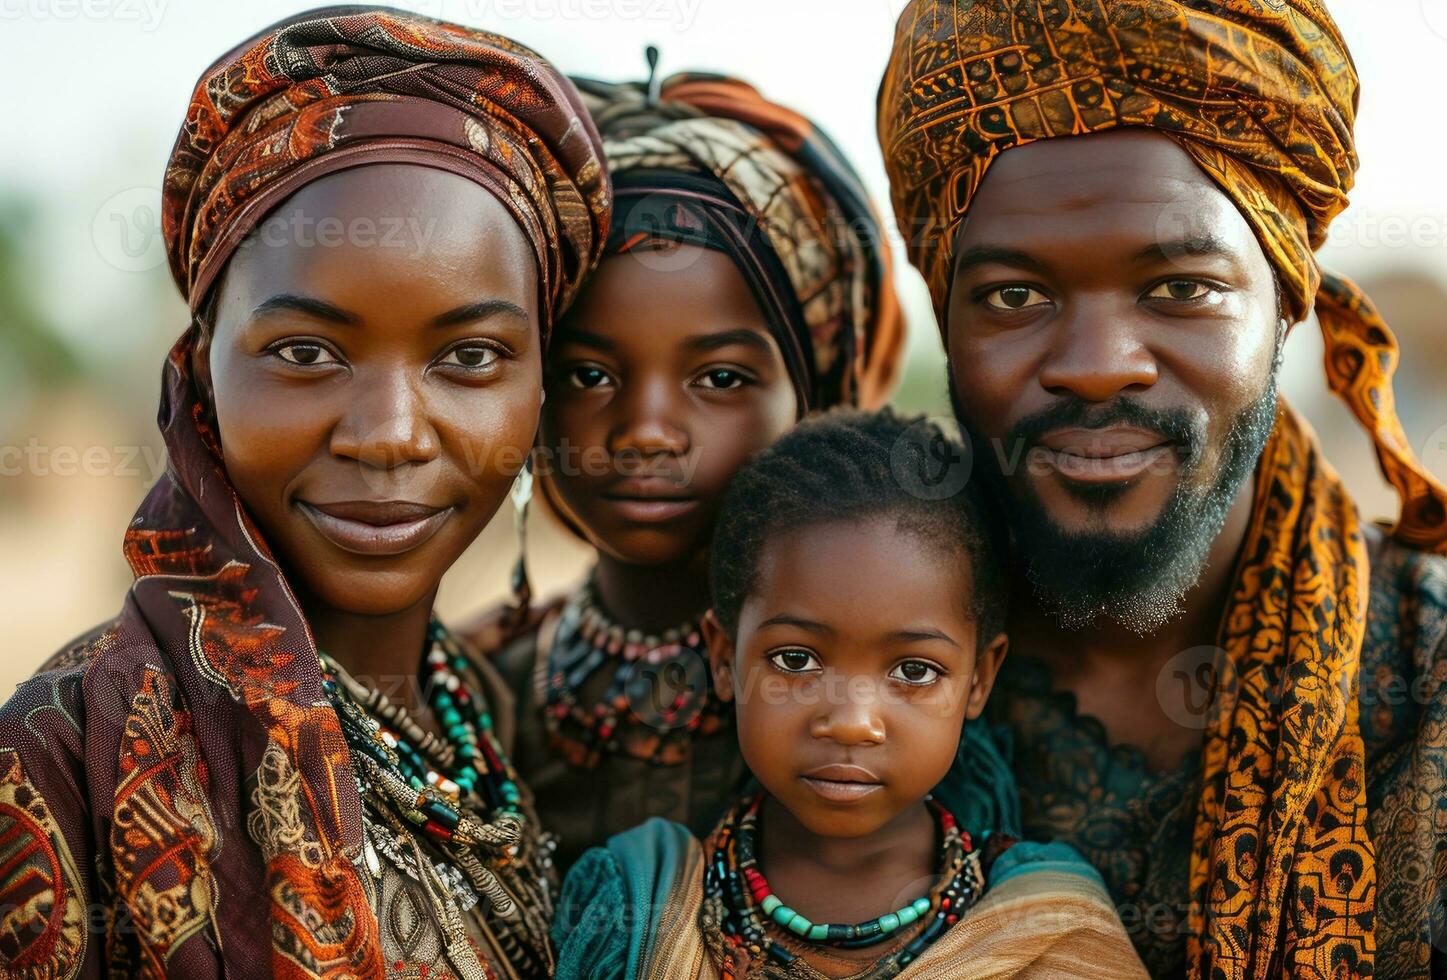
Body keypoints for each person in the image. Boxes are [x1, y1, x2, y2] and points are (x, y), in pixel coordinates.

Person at [0, 8, 609, 979]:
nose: (389, 432)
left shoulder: (496, 720)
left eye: (469, 355)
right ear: (200, 369)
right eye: (306, 352)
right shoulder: (68, 757)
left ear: (539, 383)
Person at [877, 1, 1447, 977]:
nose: (1099, 365)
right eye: (1016, 295)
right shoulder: (820, 660)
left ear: (1288, 303)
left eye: (1181, 287)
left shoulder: (1440, 686)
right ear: (947, 314)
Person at [463, 67, 905, 874]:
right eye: (588, 375)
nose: (647, 433)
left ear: (816, 396)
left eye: (722, 379)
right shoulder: (469, 694)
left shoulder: (893, 704)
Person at [551, 409, 1148, 979]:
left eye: (914, 671)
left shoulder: (1052, 932)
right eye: (796, 660)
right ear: (722, 656)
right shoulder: (635, 910)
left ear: (979, 679)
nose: (852, 722)